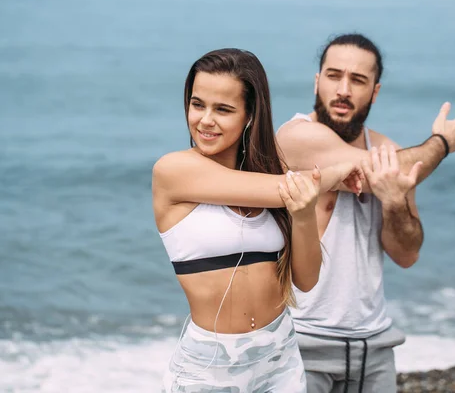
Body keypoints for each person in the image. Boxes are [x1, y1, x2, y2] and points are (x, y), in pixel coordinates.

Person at [152, 48, 367, 392]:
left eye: (223, 109)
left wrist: (302, 214)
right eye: (197, 104)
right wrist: (339, 170)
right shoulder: (174, 170)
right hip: (209, 367)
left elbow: (307, 280)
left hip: (280, 357)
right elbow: (290, 186)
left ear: (250, 114)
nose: (205, 120)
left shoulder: (270, 180)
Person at [276, 33, 455, 393]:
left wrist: (395, 203)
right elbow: (366, 173)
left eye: (358, 80)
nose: (344, 89)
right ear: (317, 81)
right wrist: (441, 144)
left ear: (375, 92)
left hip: (373, 347)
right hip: (301, 342)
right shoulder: (295, 137)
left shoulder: (388, 151)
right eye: (334, 76)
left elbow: (407, 254)